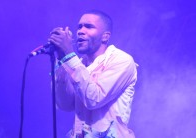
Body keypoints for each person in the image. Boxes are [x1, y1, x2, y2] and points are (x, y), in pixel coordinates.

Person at [48, 10, 137, 138]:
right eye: (79, 27)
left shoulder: (121, 60)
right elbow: (65, 104)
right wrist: (62, 59)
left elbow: (94, 98)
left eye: (88, 26)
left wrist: (69, 56)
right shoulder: (78, 64)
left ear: (105, 36)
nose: (80, 31)